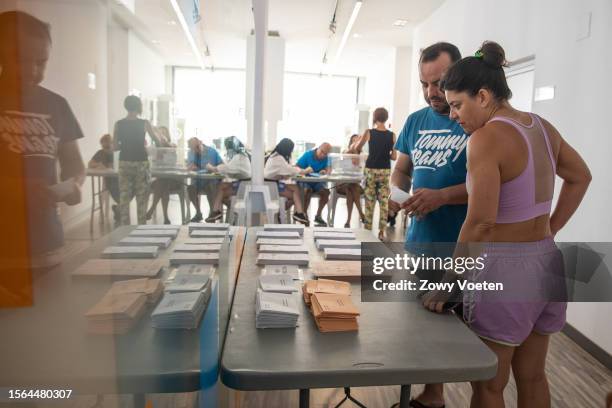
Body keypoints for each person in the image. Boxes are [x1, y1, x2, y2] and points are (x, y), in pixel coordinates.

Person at [421, 41, 591, 408]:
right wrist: (551, 229)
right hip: (547, 263)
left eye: (456, 104)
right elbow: (581, 177)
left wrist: (448, 285)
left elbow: (480, 223)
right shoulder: (542, 127)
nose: (452, 115)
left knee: (488, 386)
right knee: (533, 376)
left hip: (506, 271)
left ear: (482, 96)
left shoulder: (485, 139)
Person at [389, 42, 466, 408]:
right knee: (422, 327)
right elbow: (402, 170)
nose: (432, 93)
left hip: (462, 246)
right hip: (421, 242)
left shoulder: (471, 119)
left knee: (460, 335)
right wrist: (396, 191)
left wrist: (443, 196)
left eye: (439, 83)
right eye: (424, 84)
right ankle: (433, 395)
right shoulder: (416, 121)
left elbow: (491, 186)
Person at [0, 11, 86, 280]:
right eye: (20, 60)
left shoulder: (57, 105)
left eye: (41, 62)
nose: (31, 71)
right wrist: (17, 189)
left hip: (47, 246)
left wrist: (72, 186)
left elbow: (75, 165)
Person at [113, 95, 161, 225]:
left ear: (126, 106)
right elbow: (157, 141)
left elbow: (115, 147)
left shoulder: (118, 124)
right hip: (141, 163)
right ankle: (141, 229)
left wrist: (126, 144)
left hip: (124, 162)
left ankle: (124, 230)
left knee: (124, 198)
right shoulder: (144, 123)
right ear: (139, 106)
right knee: (141, 198)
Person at [354, 108, 396, 240]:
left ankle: (367, 231)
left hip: (371, 169)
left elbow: (357, 148)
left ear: (375, 117)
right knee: (384, 201)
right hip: (385, 170)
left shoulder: (369, 132)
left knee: (370, 200)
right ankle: (382, 232)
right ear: (386, 117)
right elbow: (394, 157)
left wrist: (365, 152)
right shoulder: (392, 135)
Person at [264, 138, 312, 225]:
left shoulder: (275, 156)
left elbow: (285, 170)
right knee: (297, 193)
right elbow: (289, 169)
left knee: (296, 191)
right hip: (271, 187)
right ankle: (297, 213)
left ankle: (294, 213)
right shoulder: (278, 158)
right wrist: (305, 171)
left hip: (271, 184)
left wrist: (286, 174)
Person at [205, 136, 251, 222]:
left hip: (243, 188)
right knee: (223, 187)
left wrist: (211, 168)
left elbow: (227, 168)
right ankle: (221, 211)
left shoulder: (239, 157)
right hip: (243, 185)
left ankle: (218, 211)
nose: (227, 150)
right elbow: (231, 169)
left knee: (221, 188)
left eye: (228, 148)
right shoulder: (242, 155)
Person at [145, 126, 183, 224]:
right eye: (159, 134)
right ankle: (166, 217)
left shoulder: (172, 146)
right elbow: (153, 163)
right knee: (163, 184)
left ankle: (152, 209)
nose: (161, 137)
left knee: (162, 183)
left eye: (163, 134)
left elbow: (172, 162)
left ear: (167, 135)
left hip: (173, 180)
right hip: (161, 180)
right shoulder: (155, 148)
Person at [186, 137, 223, 222]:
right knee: (190, 189)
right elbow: (189, 166)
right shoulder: (190, 153)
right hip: (197, 182)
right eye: (192, 148)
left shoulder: (212, 152)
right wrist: (190, 167)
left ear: (200, 142)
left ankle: (212, 214)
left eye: (196, 147)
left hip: (211, 181)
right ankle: (198, 213)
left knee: (210, 187)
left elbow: (221, 164)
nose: (195, 150)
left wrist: (213, 168)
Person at [296, 143, 332, 226]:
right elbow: (296, 167)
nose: (323, 155)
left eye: (325, 154)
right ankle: (304, 215)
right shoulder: (307, 155)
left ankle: (318, 216)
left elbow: (328, 170)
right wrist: (305, 171)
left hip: (318, 182)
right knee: (307, 191)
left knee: (326, 192)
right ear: (318, 148)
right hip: (306, 181)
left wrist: (325, 171)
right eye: (322, 152)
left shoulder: (327, 158)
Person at [88, 134, 119, 223]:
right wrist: (98, 165)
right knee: (107, 188)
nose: (105, 146)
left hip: (118, 179)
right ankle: (115, 210)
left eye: (108, 143)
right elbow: (90, 164)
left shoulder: (116, 153)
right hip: (108, 180)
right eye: (103, 144)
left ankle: (118, 209)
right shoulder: (100, 153)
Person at [336, 134, 365, 227]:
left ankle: (348, 220)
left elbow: (362, 171)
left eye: (358, 141)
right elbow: (342, 167)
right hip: (343, 184)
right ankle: (361, 214)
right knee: (350, 187)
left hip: (357, 185)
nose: (356, 143)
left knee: (351, 188)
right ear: (351, 143)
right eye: (354, 141)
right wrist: (353, 151)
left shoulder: (363, 155)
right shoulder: (345, 152)